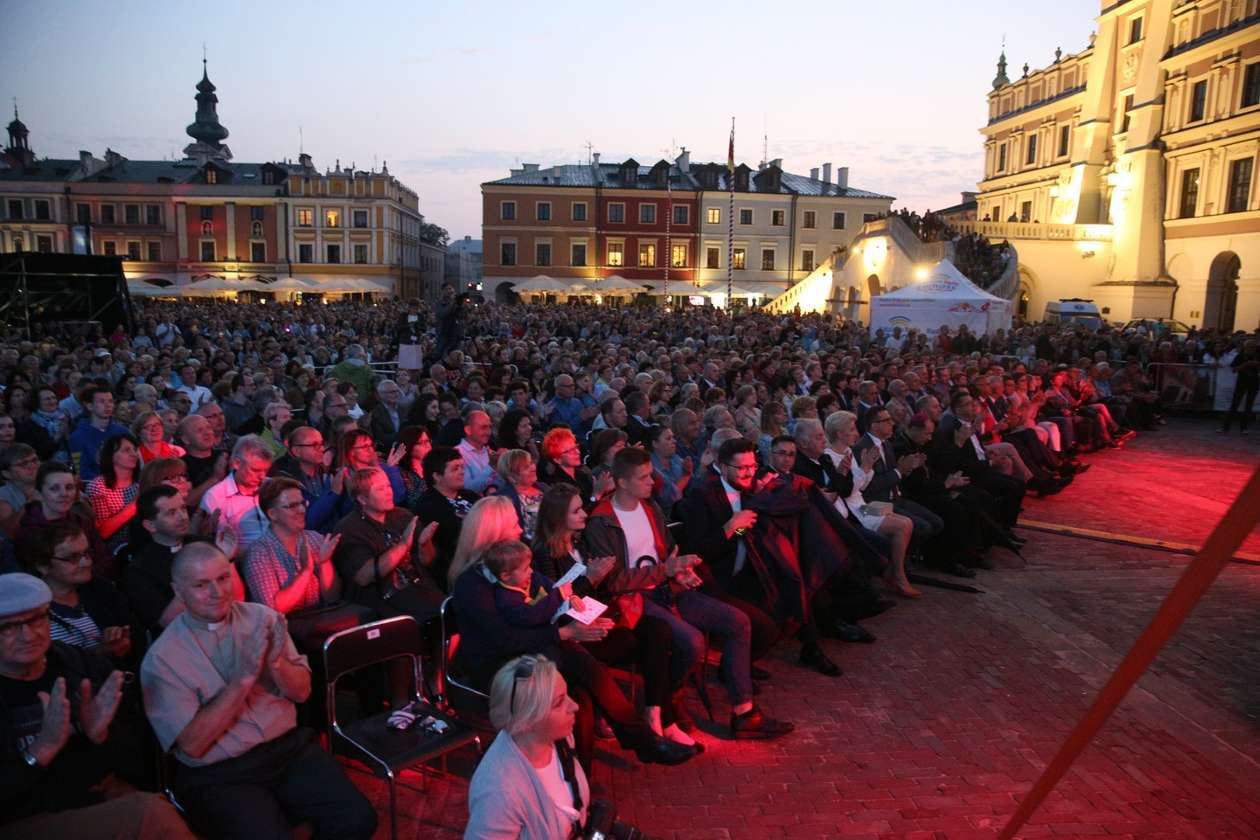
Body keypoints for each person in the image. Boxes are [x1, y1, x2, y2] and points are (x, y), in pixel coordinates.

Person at [140, 543, 377, 840]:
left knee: (358, 818)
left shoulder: (261, 618)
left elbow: (302, 693)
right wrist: (241, 681)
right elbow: (192, 746)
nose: (217, 592)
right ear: (178, 591)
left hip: (287, 749)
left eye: (223, 578)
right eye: (201, 585)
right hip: (222, 773)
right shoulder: (163, 658)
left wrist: (275, 663)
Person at [584, 447, 793, 740]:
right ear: (622, 483)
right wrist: (668, 570)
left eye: (651, 474)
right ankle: (667, 701)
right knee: (692, 642)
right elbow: (614, 582)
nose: (652, 481)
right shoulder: (602, 521)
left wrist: (680, 570)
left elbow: (669, 550)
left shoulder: (650, 508)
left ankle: (743, 712)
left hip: (669, 588)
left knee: (738, 622)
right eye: (643, 477)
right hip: (635, 598)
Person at [450, 538, 692, 769]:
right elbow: (507, 639)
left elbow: (550, 590)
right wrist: (564, 632)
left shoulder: (520, 567)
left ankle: (582, 779)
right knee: (579, 667)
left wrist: (571, 603)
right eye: (513, 524)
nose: (520, 527)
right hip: (499, 665)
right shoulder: (474, 585)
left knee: (582, 691)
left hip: (536, 649)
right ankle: (642, 741)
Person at [0, 573, 193, 839]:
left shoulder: (80, 666)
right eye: (8, 627)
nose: (28, 635)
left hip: (99, 791)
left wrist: (102, 736)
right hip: (27, 814)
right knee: (149, 815)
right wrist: (38, 752)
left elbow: (140, 752)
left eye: (36, 619)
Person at [531, 483, 693, 747]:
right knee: (633, 641)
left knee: (658, 631)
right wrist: (591, 580)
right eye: (577, 511)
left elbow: (603, 588)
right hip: (571, 629)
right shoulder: (544, 553)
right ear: (559, 518)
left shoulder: (580, 543)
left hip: (599, 614)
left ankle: (657, 713)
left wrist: (600, 588)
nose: (585, 514)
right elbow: (555, 603)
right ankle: (622, 716)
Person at [464, 655, 590, 840]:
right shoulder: (498, 794)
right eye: (558, 702)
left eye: (567, 694)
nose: (575, 706)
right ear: (526, 721)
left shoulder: (560, 741)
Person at [126, 485, 242, 637]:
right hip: (185, 643)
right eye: (171, 513)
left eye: (183, 508)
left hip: (228, 630)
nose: (183, 516)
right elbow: (169, 621)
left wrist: (228, 560)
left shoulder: (203, 545)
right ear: (150, 525)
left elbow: (239, 598)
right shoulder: (139, 569)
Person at [333, 467, 443, 622]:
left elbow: (428, 561)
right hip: (384, 606)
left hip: (422, 592)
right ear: (362, 499)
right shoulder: (349, 529)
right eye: (380, 489)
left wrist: (424, 545)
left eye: (388, 486)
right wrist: (403, 545)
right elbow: (364, 576)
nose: (388, 492)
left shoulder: (402, 515)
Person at [413, 446, 479, 587]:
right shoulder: (428, 506)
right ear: (437, 476)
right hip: (458, 565)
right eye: (455, 469)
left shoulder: (469, 495)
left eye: (462, 467)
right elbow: (451, 540)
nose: (462, 472)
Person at [199, 435, 274, 555]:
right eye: (255, 470)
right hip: (243, 561)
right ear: (236, 463)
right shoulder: (215, 497)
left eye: (265, 470)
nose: (262, 476)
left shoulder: (272, 486)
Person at [83, 434, 142, 553]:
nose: (134, 454)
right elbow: (103, 532)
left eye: (135, 450)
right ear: (111, 456)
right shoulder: (98, 488)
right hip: (114, 550)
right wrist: (135, 505)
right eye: (126, 450)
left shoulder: (140, 483)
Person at [68, 387, 129, 482]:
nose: (108, 405)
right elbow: (82, 472)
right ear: (89, 406)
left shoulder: (123, 432)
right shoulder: (77, 437)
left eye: (110, 401)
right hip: (96, 487)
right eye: (102, 401)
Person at [496, 449, 546, 542]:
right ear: (512, 477)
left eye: (531, 463)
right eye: (526, 467)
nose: (533, 468)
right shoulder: (503, 499)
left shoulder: (543, 487)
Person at [457, 409, 496, 495]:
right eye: (483, 427)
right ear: (468, 430)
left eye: (490, 427)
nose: (489, 432)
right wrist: (491, 466)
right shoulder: (457, 454)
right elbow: (467, 489)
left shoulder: (490, 452)